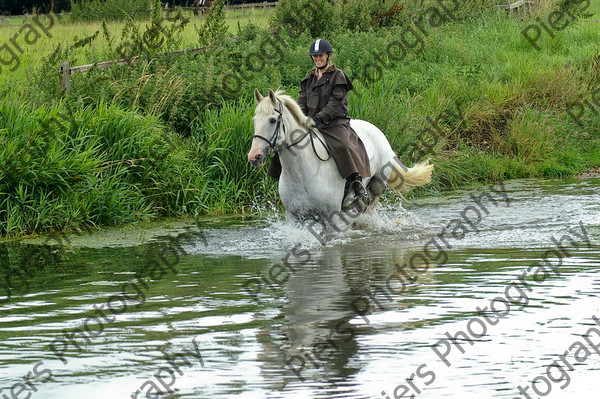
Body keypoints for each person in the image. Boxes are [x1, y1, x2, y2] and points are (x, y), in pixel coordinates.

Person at [267, 39, 370, 206]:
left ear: (329, 56)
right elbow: (301, 101)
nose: (318, 59)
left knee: (344, 145)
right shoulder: (309, 78)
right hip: (310, 123)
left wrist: (319, 118)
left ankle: (355, 181)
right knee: (285, 144)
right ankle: (284, 182)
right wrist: (300, 117)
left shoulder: (338, 76)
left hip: (334, 123)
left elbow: (336, 103)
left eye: (320, 55)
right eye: (315, 56)